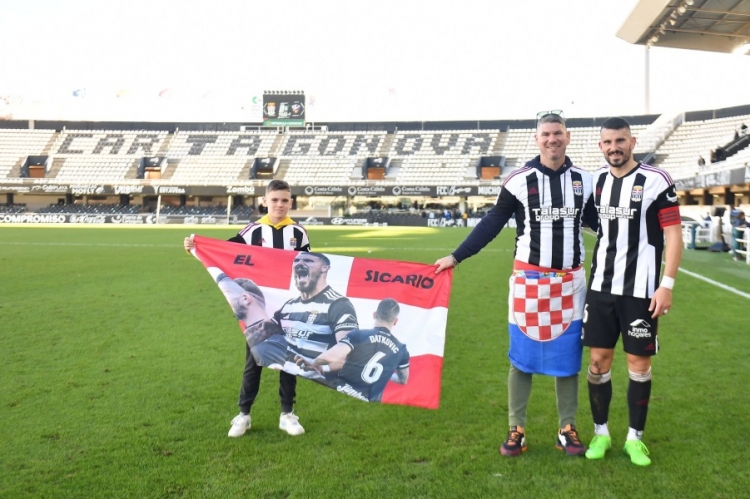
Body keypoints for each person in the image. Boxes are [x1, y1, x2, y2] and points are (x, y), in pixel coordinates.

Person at [435, 110, 599, 457]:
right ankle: (517, 427)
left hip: (571, 284)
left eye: (558, 133)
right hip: (529, 283)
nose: (552, 139)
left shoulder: (585, 180)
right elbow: (493, 222)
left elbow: (602, 225)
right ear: (537, 139)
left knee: (569, 357)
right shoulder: (518, 180)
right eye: (546, 134)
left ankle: (567, 427)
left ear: (567, 136)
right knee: (521, 357)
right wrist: (456, 256)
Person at [583, 117, 683, 466]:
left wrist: (666, 285)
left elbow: (673, 235)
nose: (614, 147)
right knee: (598, 361)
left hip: (641, 290)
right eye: (608, 142)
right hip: (601, 288)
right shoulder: (595, 181)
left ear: (632, 141)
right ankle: (600, 433)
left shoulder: (657, 181)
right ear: (601, 146)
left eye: (620, 141)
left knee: (638, 363)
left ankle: (634, 439)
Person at [184, 179, 312, 438]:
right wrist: (197, 249)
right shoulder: (252, 231)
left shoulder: (298, 233)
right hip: (259, 309)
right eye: (274, 200)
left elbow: (308, 267)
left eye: (284, 200)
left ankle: (287, 414)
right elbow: (225, 253)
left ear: (291, 202)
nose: (279, 205)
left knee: (289, 360)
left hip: (288, 309)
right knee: (254, 359)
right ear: (264, 201)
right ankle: (244, 414)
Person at [246, 251, 359, 393]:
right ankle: (250, 409)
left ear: (324, 268)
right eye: (296, 261)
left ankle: (286, 409)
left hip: (323, 374)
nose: (300, 263)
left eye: (308, 260)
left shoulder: (338, 305)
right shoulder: (289, 305)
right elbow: (265, 331)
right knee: (259, 348)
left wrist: (320, 367)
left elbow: (350, 353)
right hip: (294, 367)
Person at [295, 298, 410, 402]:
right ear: (395, 321)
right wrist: (388, 372)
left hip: (342, 394)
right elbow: (403, 380)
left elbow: (333, 356)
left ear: (374, 315)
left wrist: (315, 363)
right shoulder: (401, 349)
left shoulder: (359, 335)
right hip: (368, 408)